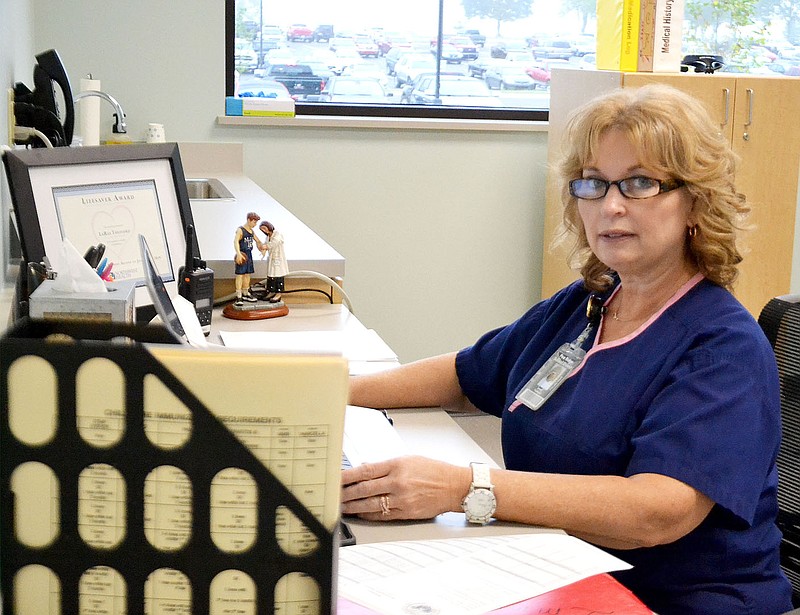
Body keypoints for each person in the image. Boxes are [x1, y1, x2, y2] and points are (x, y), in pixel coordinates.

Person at [341, 84, 794, 615]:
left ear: (696, 201)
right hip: (559, 570)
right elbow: (466, 374)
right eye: (594, 184)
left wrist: (468, 488)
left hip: (674, 603)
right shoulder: (589, 302)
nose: (612, 206)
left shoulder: (722, 346)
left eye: (640, 183)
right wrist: (331, 393)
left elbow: (658, 511)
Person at [233, 212, 265, 306]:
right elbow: (235, 242)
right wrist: (238, 254)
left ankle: (245, 293)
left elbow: (258, 241)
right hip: (243, 254)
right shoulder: (240, 230)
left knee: (247, 275)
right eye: (254, 222)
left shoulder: (251, 231)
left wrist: (262, 249)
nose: (255, 224)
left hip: (249, 255)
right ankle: (238, 295)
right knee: (240, 275)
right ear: (248, 220)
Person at [258, 219, 288, 302]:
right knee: (271, 276)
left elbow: (273, 243)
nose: (264, 230)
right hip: (272, 260)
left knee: (278, 276)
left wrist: (265, 247)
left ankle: (278, 294)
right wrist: (262, 250)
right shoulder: (268, 237)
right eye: (262, 229)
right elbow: (265, 245)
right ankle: (271, 291)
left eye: (264, 228)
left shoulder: (277, 235)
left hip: (278, 259)